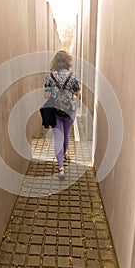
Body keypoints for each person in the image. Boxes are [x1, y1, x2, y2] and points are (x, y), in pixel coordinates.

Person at [43, 50, 81, 179]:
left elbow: (46, 95)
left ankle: (61, 167)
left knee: (58, 137)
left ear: (55, 61)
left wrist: (55, 92)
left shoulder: (49, 76)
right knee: (66, 135)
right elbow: (77, 94)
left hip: (55, 110)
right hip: (70, 110)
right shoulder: (73, 75)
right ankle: (63, 156)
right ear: (67, 61)